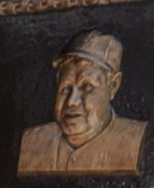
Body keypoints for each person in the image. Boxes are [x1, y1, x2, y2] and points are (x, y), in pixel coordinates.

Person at [16, 31, 146, 176]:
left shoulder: (135, 141)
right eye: (65, 89)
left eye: (87, 87)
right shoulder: (32, 143)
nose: (71, 101)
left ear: (113, 86)